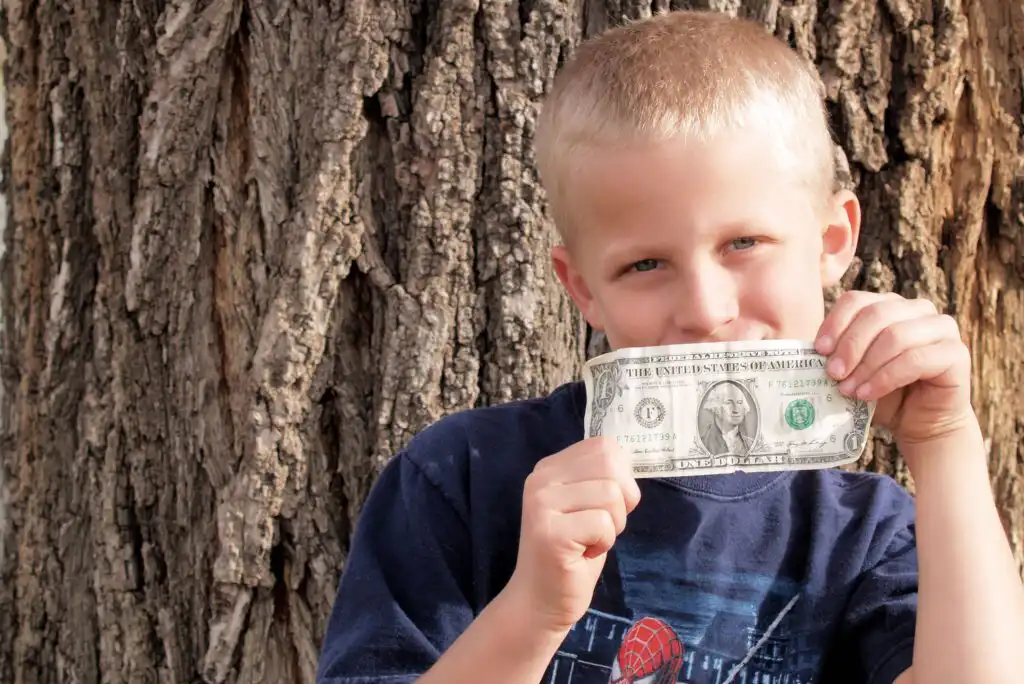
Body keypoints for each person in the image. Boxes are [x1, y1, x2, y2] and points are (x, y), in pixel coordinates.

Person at [315, 10, 1024, 684]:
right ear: (583, 287)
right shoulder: (461, 479)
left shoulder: (869, 532)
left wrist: (945, 443)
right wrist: (530, 615)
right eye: (645, 265)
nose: (706, 311)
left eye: (743, 244)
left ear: (832, 241)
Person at [698, 381, 756, 456]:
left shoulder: (750, 444)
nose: (736, 410)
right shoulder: (703, 444)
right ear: (715, 408)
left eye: (740, 402)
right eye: (728, 403)